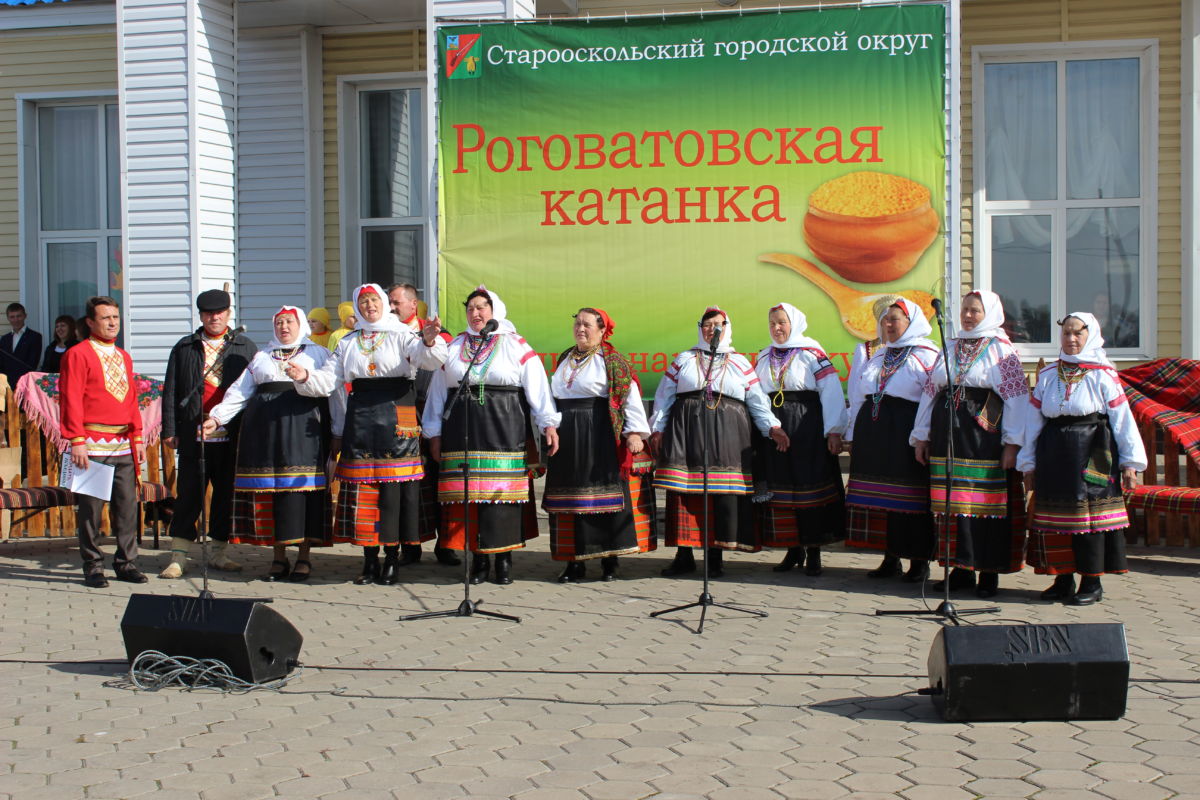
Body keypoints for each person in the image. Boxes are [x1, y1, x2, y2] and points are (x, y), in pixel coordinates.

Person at [289, 283, 447, 585]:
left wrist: (428, 341)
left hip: (397, 410)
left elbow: (430, 360)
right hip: (361, 414)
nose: (369, 306)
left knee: (393, 489)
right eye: (363, 302)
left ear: (384, 304)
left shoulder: (403, 334)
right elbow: (328, 379)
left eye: (374, 300)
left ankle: (392, 558)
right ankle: (369, 560)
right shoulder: (348, 342)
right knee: (364, 490)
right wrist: (304, 376)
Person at [422, 286, 561, 585]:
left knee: (502, 496)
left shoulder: (515, 345)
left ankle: (504, 559)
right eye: (470, 308)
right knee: (469, 495)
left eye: (481, 307)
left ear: (494, 310)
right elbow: (437, 393)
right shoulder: (455, 345)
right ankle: (479, 560)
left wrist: (548, 423)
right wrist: (433, 433)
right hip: (462, 426)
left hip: (504, 423)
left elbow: (537, 386)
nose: (475, 313)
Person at [649, 307, 788, 578]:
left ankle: (715, 557)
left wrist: (772, 427)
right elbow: (664, 396)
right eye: (707, 324)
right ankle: (684, 556)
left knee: (719, 493)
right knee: (684, 491)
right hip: (686, 431)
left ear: (727, 327)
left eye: (718, 325)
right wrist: (657, 428)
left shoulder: (739, 362)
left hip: (728, 433)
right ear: (699, 327)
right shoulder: (684, 358)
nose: (712, 330)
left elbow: (757, 399)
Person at [1019, 312, 1146, 606]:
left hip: (1092, 450)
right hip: (1054, 452)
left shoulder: (1103, 374)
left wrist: (1131, 464)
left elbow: (1123, 420)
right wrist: (1028, 463)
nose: (1071, 339)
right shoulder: (1049, 374)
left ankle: (1092, 581)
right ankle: (1062, 578)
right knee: (1055, 519)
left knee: (1089, 519)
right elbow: (1033, 421)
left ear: (1092, 336)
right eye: (1066, 333)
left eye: (1078, 333)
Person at [910, 291, 1030, 599]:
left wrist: (1012, 444)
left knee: (986, 505)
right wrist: (921, 434)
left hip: (983, 437)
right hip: (948, 431)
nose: (967, 316)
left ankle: (989, 572)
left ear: (989, 313)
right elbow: (930, 392)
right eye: (964, 310)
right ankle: (960, 569)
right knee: (952, 502)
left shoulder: (1002, 350)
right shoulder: (949, 346)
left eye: (974, 311)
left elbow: (1016, 399)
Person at [204, 307, 332, 582]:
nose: (284, 327)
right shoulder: (262, 355)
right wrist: (216, 418)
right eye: (279, 322)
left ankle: (304, 557)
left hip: (301, 426)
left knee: (301, 489)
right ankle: (278, 557)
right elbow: (240, 391)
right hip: (264, 429)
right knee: (272, 490)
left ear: (300, 325)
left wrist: (339, 428)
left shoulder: (316, 353)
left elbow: (331, 388)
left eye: (289, 321)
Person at [545, 307, 655, 582]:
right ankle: (573, 562)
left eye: (587, 325)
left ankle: (610, 561)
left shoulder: (613, 361)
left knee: (603, 497)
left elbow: (628, 397)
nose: (580, 329)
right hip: (566, 432)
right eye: (577, 324)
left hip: (599, 431)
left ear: (602, 330)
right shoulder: (564, 357)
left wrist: (634, 434)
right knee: (568, 498)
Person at [159, 289, 257, 579]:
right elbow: (171, 390)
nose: (214, 317)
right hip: (193, 433)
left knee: (225, 495)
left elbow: (252, 393)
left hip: (231, 435)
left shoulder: (244, 346)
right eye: (208, 313)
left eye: (220, 312)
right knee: (189, 494)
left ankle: (219, 553)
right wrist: (170, 428)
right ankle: (178, 556)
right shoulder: (185, 347)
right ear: (201, 315)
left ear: (228, 313)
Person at [844, 299, 939, 582]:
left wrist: (922, 435)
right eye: (885, 320)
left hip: (904, 430)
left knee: (909, 497)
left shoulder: (927, 355)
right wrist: (852, 433)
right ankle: (890, 557)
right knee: (882, 498)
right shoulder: (879, 355)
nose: (887, 324)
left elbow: (931, 398)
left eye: (894, 319)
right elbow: (860, 394)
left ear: (911, 322)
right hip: (874, 430)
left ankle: (919, 561)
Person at [754, 302, 847, 577]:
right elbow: (756, 394)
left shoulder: (812, 354)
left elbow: (831, 392)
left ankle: (814, 550)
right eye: (772, 323)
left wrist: (834, 430)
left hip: (807, 424)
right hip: (775, 425)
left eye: (781, 322)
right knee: (781, 485)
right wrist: (766, 426)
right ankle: (792, 547)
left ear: (794, 323)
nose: (776, 328)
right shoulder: (763, 356)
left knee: (809, 485)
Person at [59, 296, 146, 587]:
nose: (112, 323)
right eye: (106, 318)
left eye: (115, 318)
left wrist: (138, 436)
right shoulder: (77, 354)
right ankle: (93, 566)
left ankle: (126, 563)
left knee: (126, 507)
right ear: (90, 322)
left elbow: (132, 400)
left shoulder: (124, 356)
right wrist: (77, 440)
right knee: (91, 510)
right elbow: (70, 398)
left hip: (123, 442)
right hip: (92, 442)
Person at [387, 282, 460, 567]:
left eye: (396, 303)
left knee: (442, 479)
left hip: (439, 415)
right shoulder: (386, 335)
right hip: (403, 414)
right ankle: (410, 545)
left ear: (413, 305)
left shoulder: (441, 336)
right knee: (407, 481)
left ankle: (446, 544)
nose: (392, 308)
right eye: (389, 303)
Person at [1, 302, 43, 390]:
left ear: (25, 316)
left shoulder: (35, 337)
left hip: (25, 385)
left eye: (18, 316)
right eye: (12, 317)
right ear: (8, 318)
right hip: (6, 386)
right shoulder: (4, 339)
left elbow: (32, 363)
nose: (16, 320)